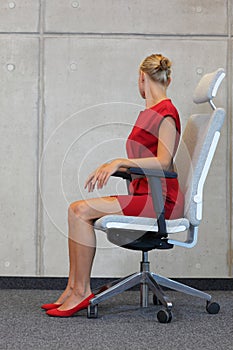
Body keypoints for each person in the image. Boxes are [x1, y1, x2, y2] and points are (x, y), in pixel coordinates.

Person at [42, 53, 184, 317]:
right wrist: (121, 165)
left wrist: (121, 161)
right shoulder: (149, 113)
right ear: (168, 78)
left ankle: (81, 291)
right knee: (77, 211)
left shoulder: (167, 113)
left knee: (79, 211)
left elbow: (164, 162)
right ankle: (73, 288)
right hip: (145, 195)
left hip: (161, 201)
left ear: (142, 77)